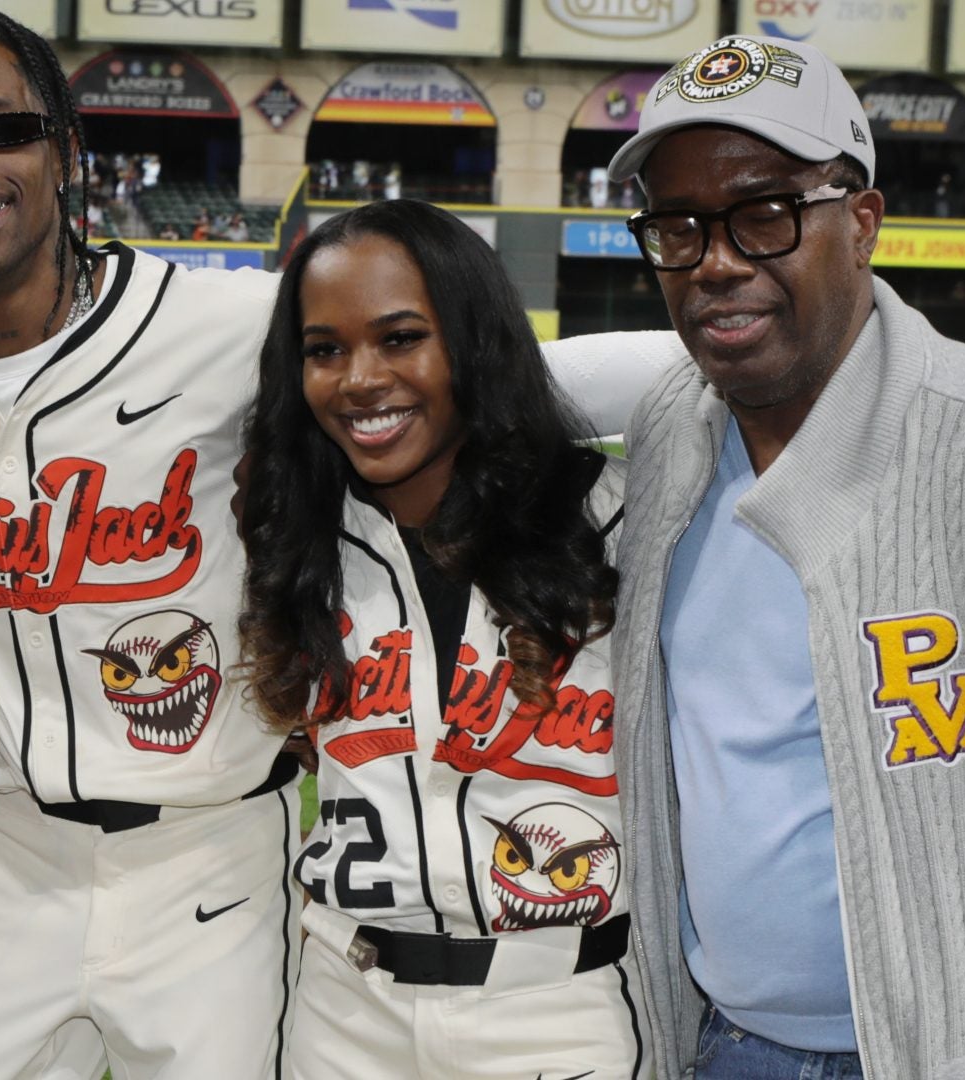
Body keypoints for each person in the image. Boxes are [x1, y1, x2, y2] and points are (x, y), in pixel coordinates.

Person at [0, 10, 302, 1077]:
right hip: (18, 862)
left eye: (1, 128)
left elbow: (465, 370)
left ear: (63, 151)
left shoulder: (226, 328)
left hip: (217, 852)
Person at [605, 34, 965, 1078]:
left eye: (765, 214)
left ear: (865, 222)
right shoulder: (671, 432)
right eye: (678, 227)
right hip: (712, 1041)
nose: (716, 261)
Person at [241, 199, 644, 1079]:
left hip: (559, 1009)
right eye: (324, 349)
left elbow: (704, 365)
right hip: (346, 1010)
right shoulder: (299, 536)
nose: (358, 379)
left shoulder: (614, 514)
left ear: (472, 339)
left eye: (400, 338)